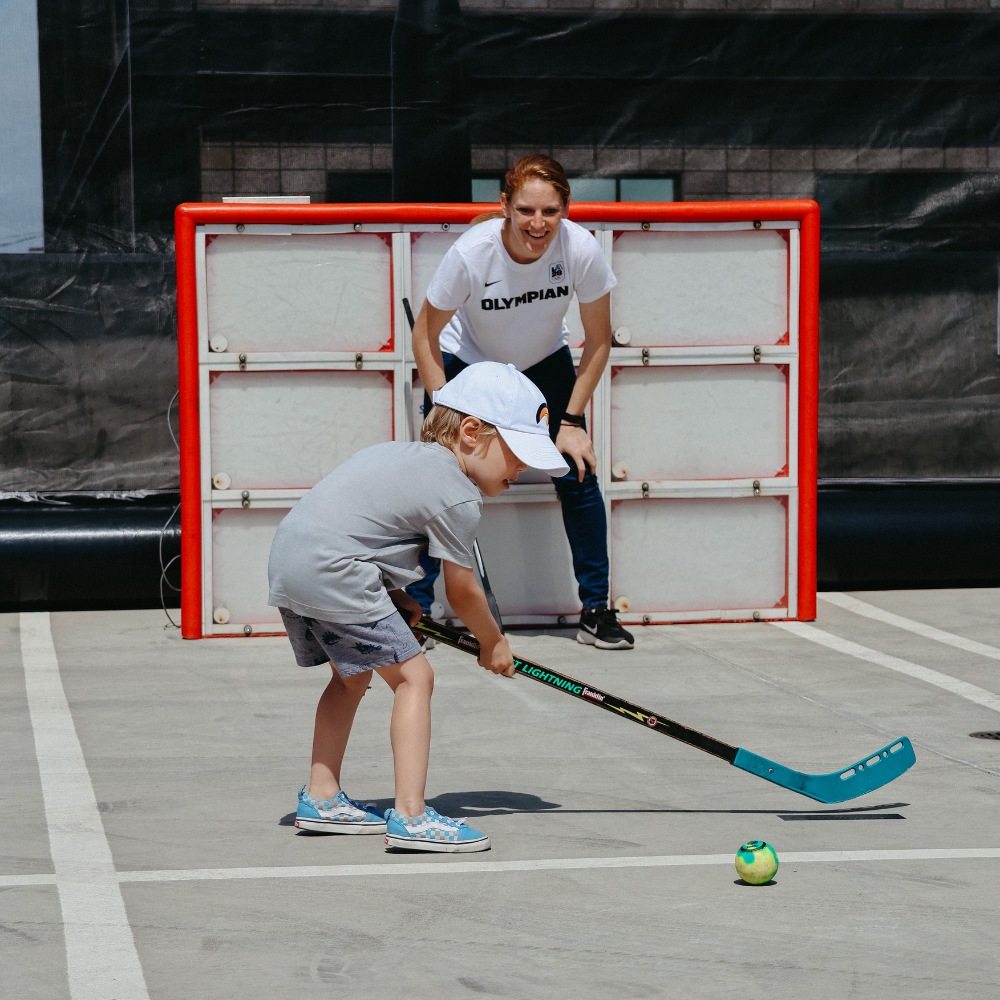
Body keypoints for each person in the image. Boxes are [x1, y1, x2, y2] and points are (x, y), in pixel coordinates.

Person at [267, 362, 569, 852]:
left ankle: (322, 796)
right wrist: (492, 642)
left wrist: (394, 595)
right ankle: (411, 816)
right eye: (517, 455)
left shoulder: (400, 455)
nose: (521, 470)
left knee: (350, 676)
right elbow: (462, 591)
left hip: (292, 561)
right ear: (472, 433)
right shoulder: (457, 494)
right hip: (336, 570)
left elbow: (356, 527)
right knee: (416, 678)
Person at [408, 153, 634, 650]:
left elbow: (598, 343)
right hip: (468, 364)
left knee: (577, 471)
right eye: (527, 211)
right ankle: (419, 609)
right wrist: (444, 403)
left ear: (565, 209)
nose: (538, 224)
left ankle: (596, 609)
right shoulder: (472, 253)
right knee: (437, 481)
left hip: (542, 361)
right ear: (505, 205)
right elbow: (424, 335)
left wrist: (571, 420)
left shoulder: (580, 250)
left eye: (550, 212)